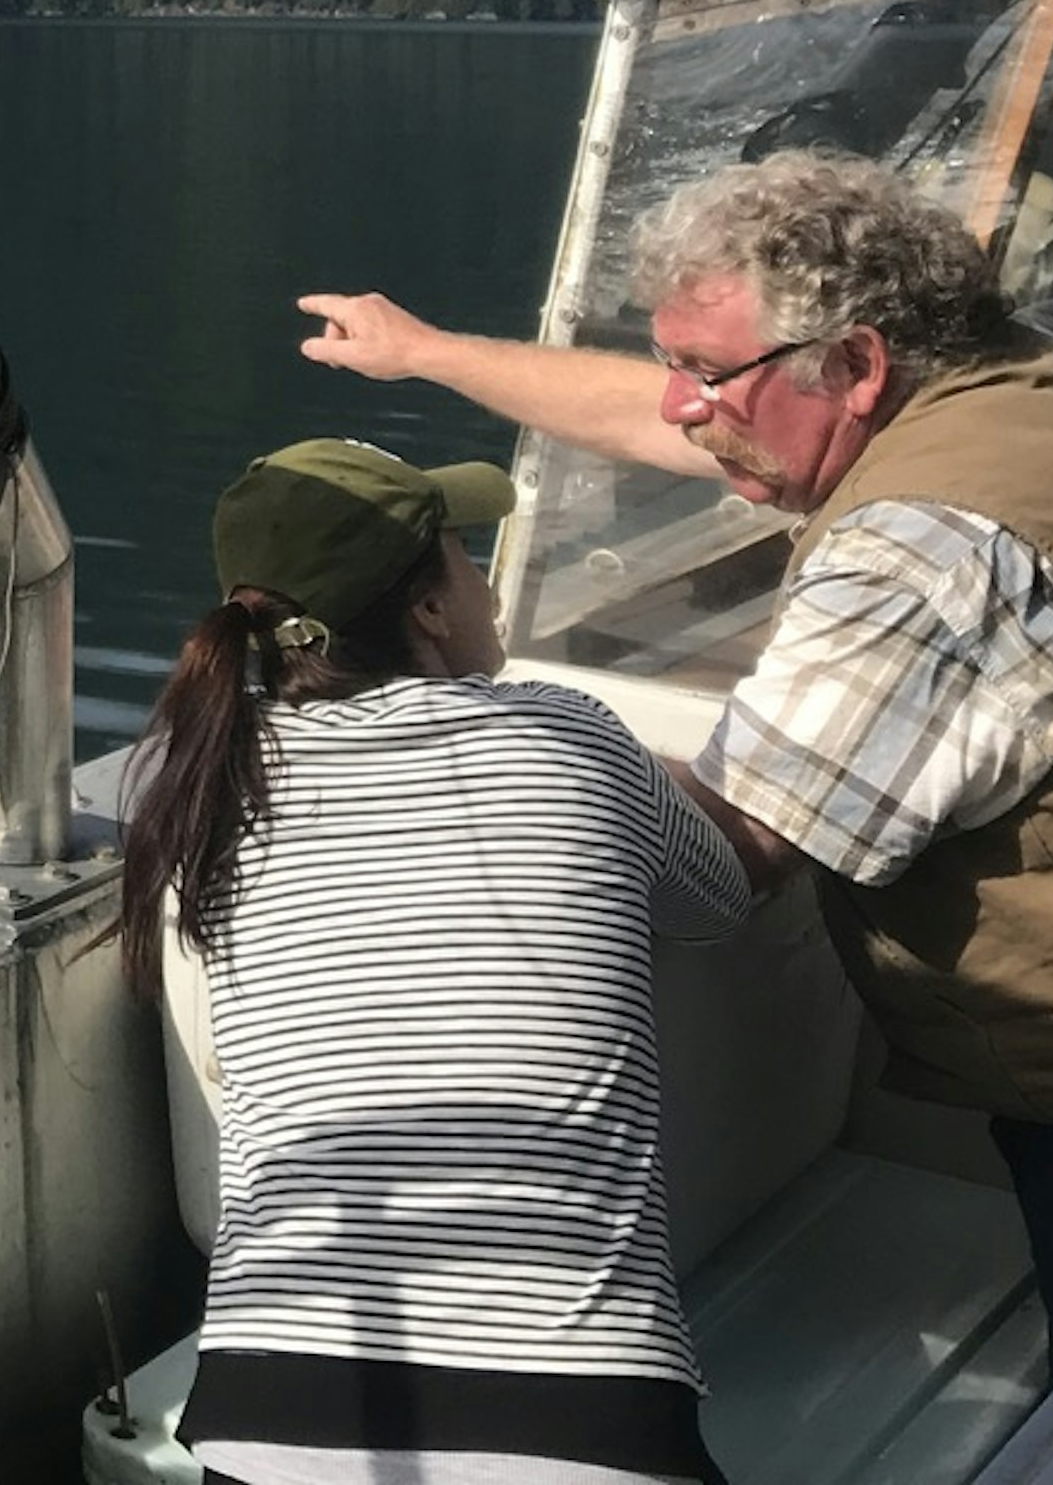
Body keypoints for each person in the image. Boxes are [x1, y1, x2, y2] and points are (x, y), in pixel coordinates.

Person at [303, 148, 1053, 1369]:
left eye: (705, 370)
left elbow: (734, 845)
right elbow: (667, 419)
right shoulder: (1009, 385)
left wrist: (479, 778)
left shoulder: (920, 556)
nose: (682, 402)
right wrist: (424, 352)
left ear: (854, 365)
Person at [123, 438, 751, 1485]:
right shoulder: (571, 734)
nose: (487, 582)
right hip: (580, 1422)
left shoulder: (196, 788)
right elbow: (720, 900)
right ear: (427, 610)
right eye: (464, 553)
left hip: (260, 1416)